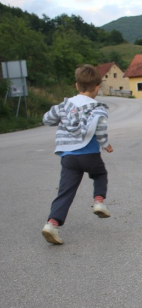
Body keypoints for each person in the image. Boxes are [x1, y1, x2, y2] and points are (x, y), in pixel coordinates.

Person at [41, 64, 113, 245]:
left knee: (65, 191)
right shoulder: (98, 108)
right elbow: (101, 130)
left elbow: (47, 119)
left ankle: (52, 223)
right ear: (96, 87)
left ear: (76, 85)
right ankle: (98, 201)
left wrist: (60, 115)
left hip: (69, 158)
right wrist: (106, 144)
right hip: (89, 154)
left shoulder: (65, 105)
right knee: (100, 174)